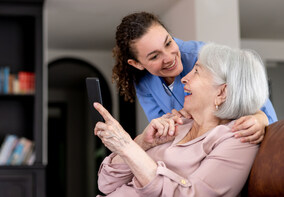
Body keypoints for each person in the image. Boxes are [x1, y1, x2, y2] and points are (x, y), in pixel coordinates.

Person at [94, 43, 269, 196]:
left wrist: (127, 147)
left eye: (197, 71)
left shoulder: (236, 140)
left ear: (221, 92)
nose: (184, 78)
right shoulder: (178, 124)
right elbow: (105, 183)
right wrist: (142, 143)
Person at [112, 11, 278, 144]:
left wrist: (260, 119)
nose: (169, 57)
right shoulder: (143, 83)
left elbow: (257, 99)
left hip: (233, 142)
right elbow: (164, 132)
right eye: (154, 56)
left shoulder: (204, 56)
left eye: (169, 43)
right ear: (137, 64)